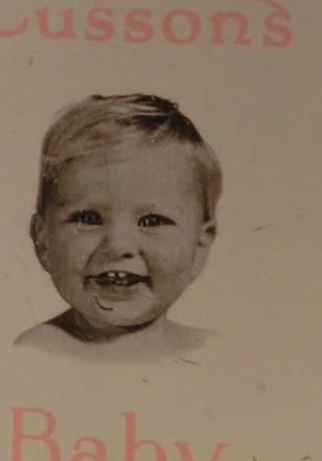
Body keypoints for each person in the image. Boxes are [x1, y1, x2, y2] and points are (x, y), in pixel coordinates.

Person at [16, 94, 221, 359]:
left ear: (200, 247)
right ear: (43, 241)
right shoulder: (35, 352)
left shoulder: (213, 353)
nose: (117, 244)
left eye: (152, 221)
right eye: (88, 218)